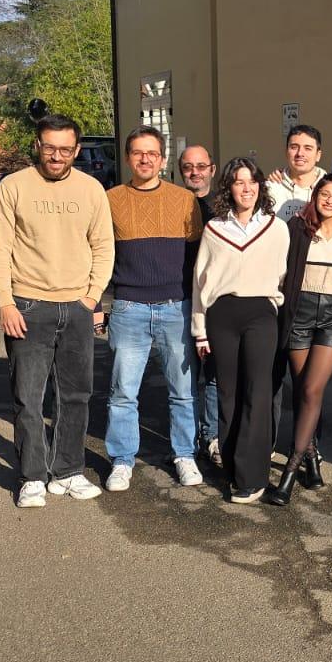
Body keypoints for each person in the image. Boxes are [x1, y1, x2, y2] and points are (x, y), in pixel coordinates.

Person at [0, 115, 114, 508]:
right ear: (37, 146)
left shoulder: (91, 189)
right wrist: (5, 302)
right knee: (28, 397)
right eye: (49, 147)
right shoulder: (13, 187)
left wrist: (91, 298)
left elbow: (103, 246)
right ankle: (32, 477)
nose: (56, 156)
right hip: (28, 305)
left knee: (75, 395)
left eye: (65, 149)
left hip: (77, 306)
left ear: (76, 150)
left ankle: (68, 471)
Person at [102, 127, 205, 493]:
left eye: (152, 153)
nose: (145, 159)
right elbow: (99, 255)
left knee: (182, 391)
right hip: (128, 307)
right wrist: (101, 302)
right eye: (138, 152)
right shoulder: (110, 199)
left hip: (176, 306)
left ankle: (184, 454)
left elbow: (197, 259)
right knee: (123, 392)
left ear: (163, 160)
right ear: (128, 157)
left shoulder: (184, 200)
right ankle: (122, 459)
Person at [193, 157, 290, 503]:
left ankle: (253, 475)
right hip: (222, 314)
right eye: (238, 182)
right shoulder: (215, 228)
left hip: (261, 312)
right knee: (227, 394)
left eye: (252, 182)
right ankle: (232, 469)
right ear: (229, 188)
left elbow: (282, 276)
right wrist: (200, 328)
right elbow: (201, 281)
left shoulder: (277, 228)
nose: (246, 188)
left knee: (258, 391)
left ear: (260, 186)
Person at [265, 175, 332, 505]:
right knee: (302, 388)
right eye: (325, 193)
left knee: (311, 389)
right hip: (300, 314)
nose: (330, 200)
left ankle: (290, 472)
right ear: (315, 196)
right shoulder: (296, 228)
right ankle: (313, 461)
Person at [179, 144, 221, 454]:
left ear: (212, 169)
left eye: (201, 166)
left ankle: (211, 437)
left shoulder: (224, 207)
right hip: (180, 298)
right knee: (183, 375)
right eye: (188, 167)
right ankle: (186, 440)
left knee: (213, 374)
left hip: (215, 303)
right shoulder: (174, 204)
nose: (195, 172)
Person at [265, 125, 331, 222]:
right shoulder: (270, 189)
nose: (300, 153)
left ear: (318, 155)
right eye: (294, 147)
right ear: (286, 152)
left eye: (308, 148)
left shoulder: (331, 189)